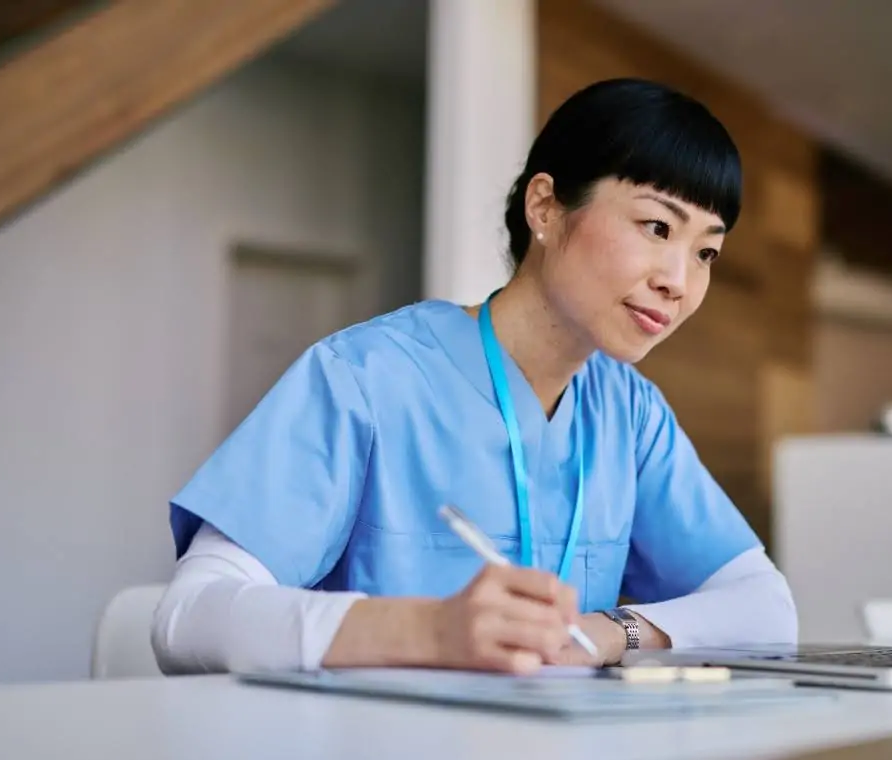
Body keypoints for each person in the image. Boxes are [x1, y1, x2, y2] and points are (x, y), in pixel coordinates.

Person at [151, 77, 798, 677]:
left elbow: (766, 608)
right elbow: (188, 617)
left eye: (705, 251)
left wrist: (608, 632)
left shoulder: (630, 415)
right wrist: (431, 632)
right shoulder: (367, 377)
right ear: (544, 208)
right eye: (656, 227)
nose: (679, 282)